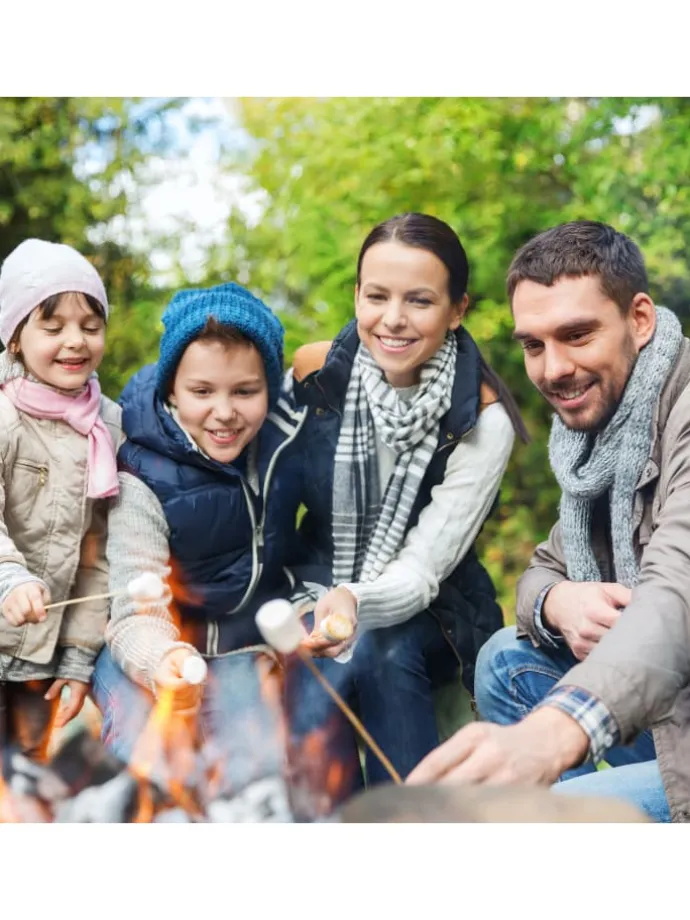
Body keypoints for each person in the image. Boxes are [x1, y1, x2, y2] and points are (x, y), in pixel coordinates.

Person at [407, 220, 690, 824]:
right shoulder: (599, 438)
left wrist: (555, 733)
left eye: (577, 335)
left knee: (546, 817)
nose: (553, 368)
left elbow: (675, 596)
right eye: (534, 346)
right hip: (669, 706)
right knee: (505, 658)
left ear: (640, 319)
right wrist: (557, 600)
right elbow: (544, 567)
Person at [91, 282, 361, 810]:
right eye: (202, 391)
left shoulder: (284, 448)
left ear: (269, 388)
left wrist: (310, 606)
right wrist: (163, 657)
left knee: (254, 777)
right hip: (149, 650)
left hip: (242, 648)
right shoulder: (141, 474)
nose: (224, 412)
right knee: (149, 762)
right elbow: (132, 612)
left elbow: (319, 544)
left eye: (244, 391)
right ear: (172, 391)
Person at [290, 212, 528, 784]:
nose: (393, 319)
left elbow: (423, 570)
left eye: (419, 301)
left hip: (438, 610)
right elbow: (270, 495)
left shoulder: (483, 421)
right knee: (300, 666)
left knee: (381, 646)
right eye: (377, 296)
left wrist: (353, 600)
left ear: (457, 309)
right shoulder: (315, 372)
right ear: (357, 296)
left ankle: (409, 817)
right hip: (315, 579)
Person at [0, 238, 121, 760]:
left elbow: (99, 555)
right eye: (53, 328)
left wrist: (77, 657)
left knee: (24, 781)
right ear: (15, 339)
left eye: (90, 326)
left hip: (40, 660)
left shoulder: (108, 426)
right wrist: (10, 579)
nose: (75, 341)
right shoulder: (5, 417)